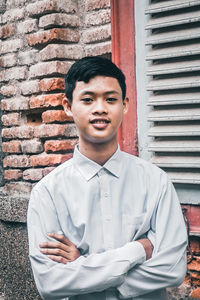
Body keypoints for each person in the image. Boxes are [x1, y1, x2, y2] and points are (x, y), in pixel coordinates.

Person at [27, 56, 187, 300]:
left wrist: (84, 265)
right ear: (68, 105)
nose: (100, 108)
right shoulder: (47, 192)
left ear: (124, 105)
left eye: (110, 99)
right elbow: (51, 283)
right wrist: (137, 250)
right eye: (88, 99)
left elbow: (172, 269)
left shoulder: (156, 182)